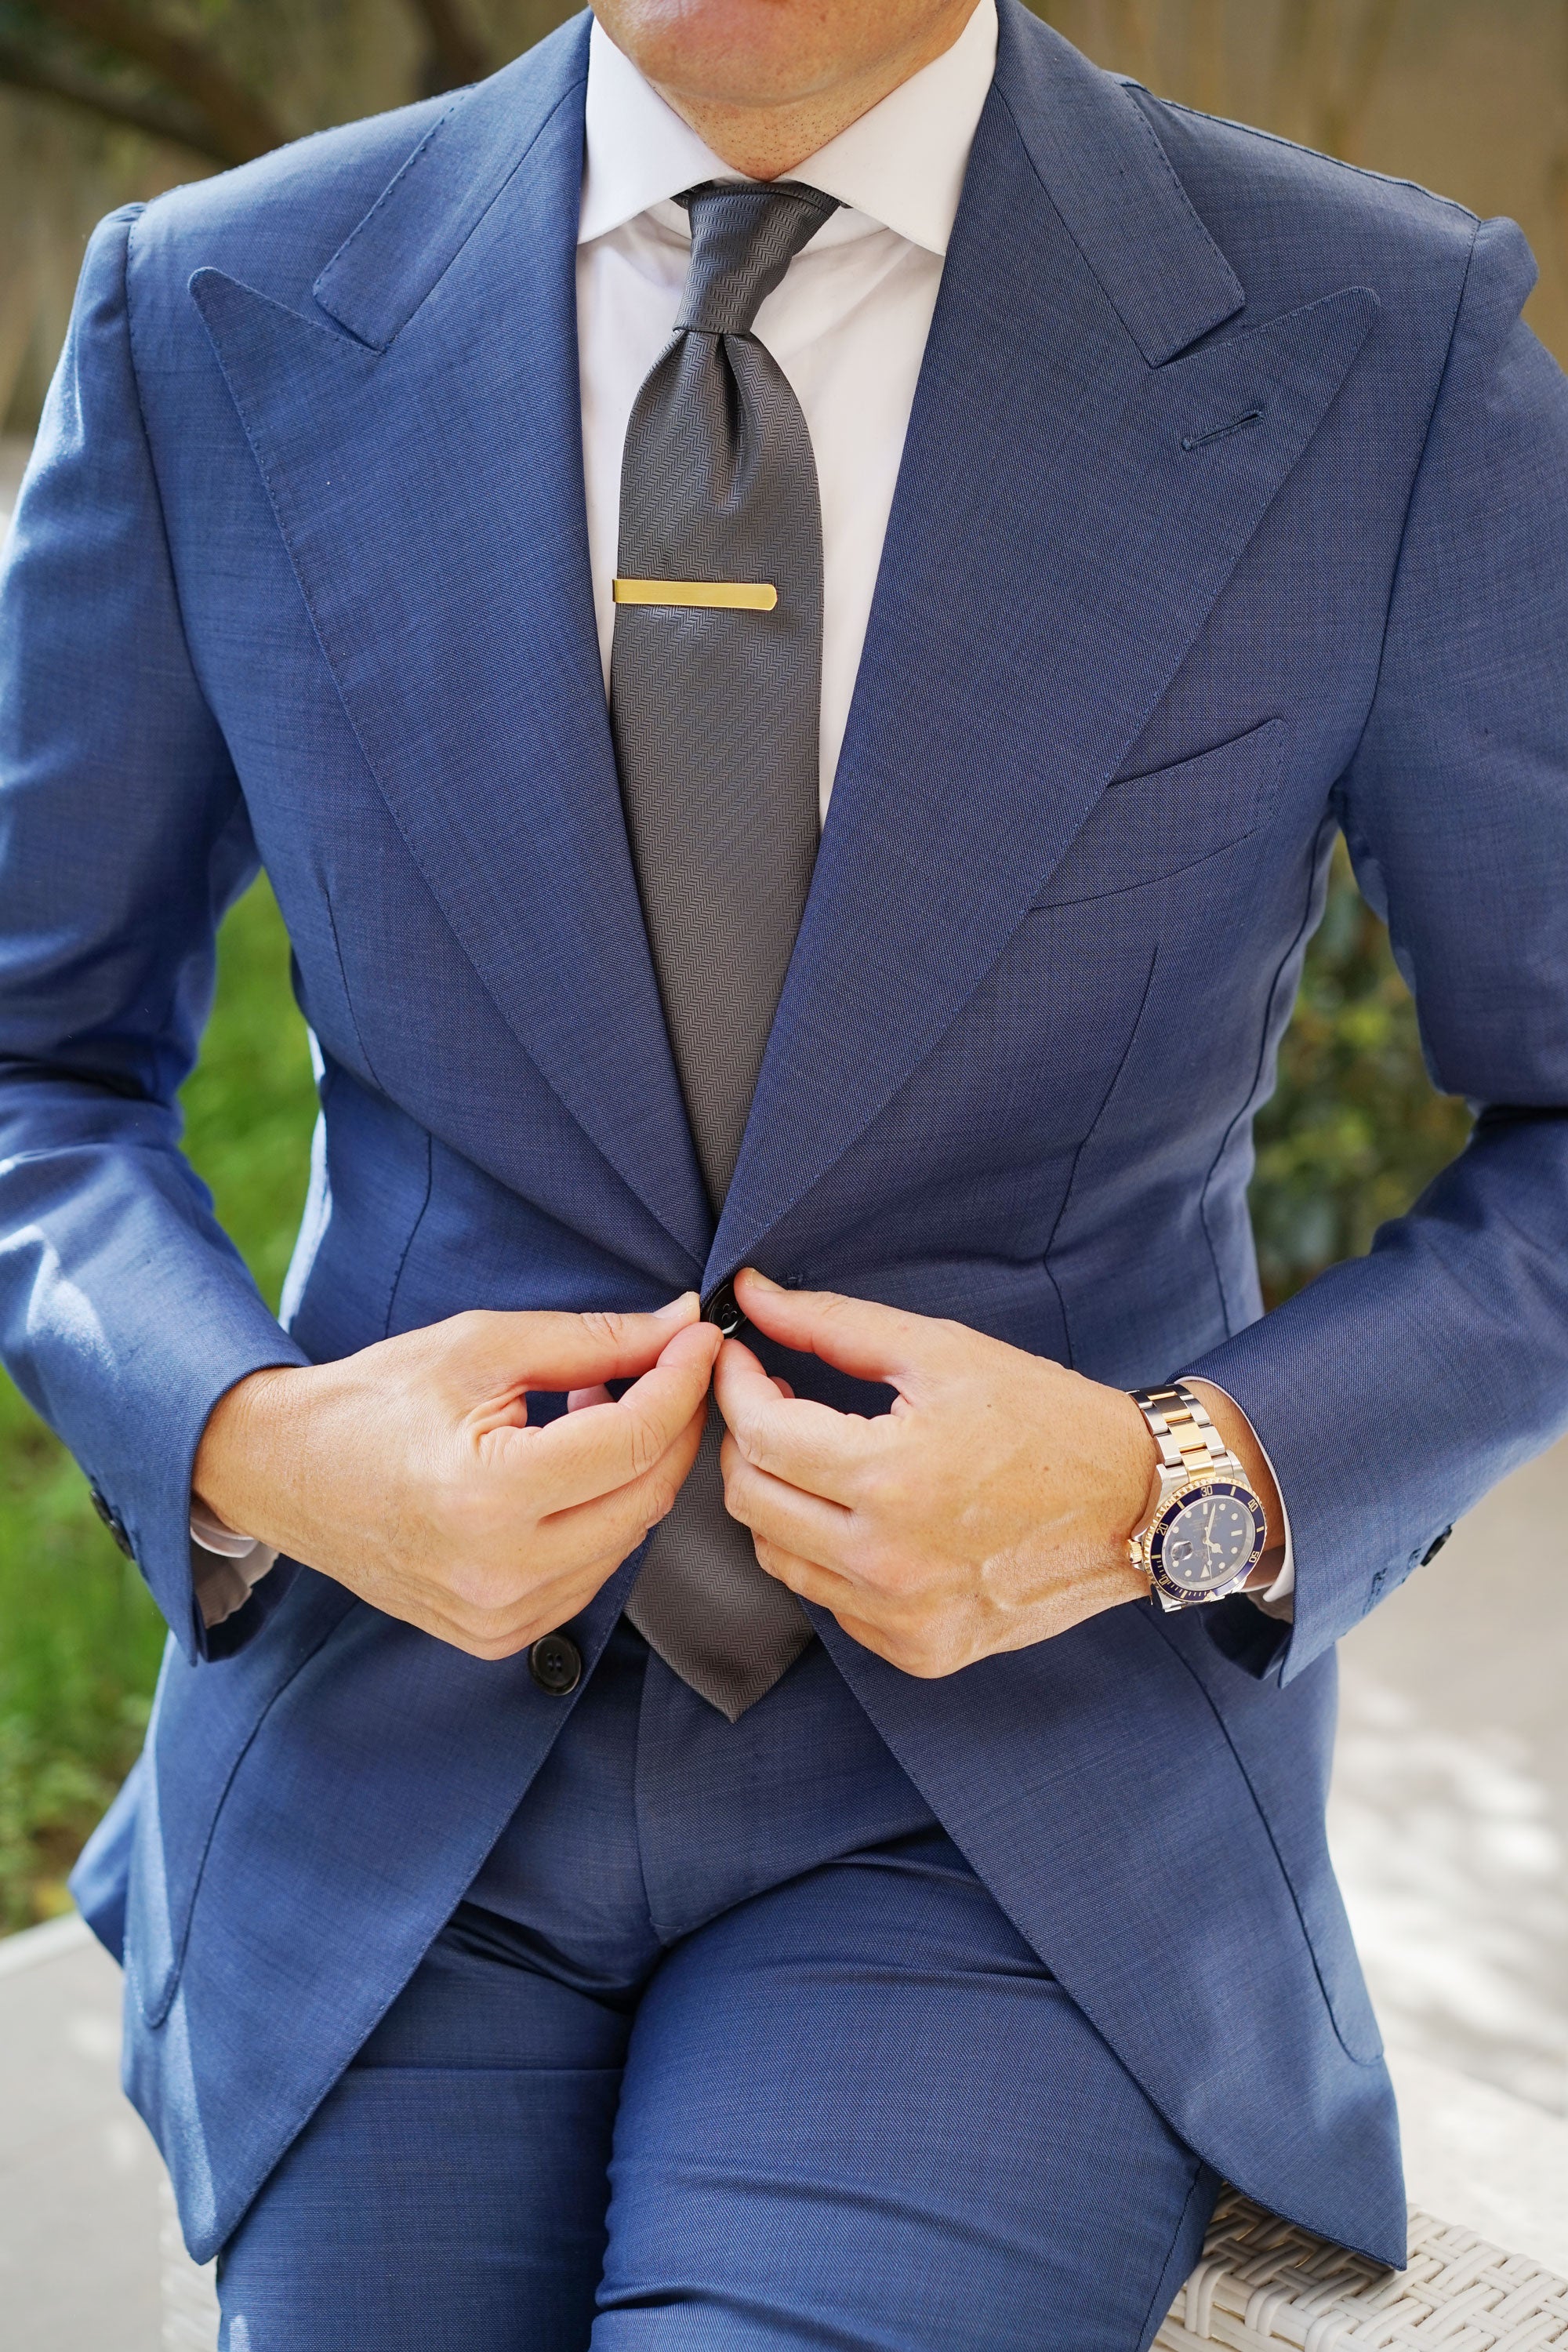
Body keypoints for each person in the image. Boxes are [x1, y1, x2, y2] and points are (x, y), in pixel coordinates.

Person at [1, 0, 1564, 2341]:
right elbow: (31, 1053)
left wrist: (1179, 1480)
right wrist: (257, 1447)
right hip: (391, 1755)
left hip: (1009, 1807)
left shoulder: (1377, 333)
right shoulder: (211, 301)